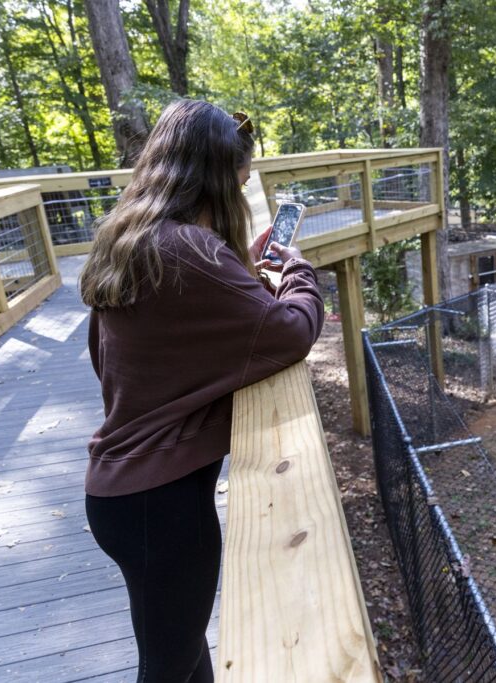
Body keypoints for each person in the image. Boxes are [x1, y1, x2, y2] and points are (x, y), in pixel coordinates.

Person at [79, 99, 324, 682]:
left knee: (186, 655)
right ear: (214, 177)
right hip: (162, 509)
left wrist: (238, 269)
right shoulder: (190, 250)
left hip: (124, 494)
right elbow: (288, 332)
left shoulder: (132, 237)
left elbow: (128, 352)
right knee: (167, 666)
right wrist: (298, 273)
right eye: (238, 182)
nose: (240, 196)